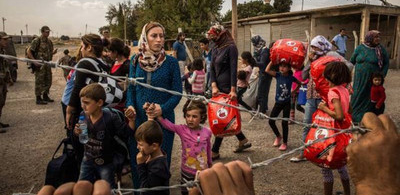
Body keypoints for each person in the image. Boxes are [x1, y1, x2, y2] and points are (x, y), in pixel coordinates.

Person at [39, 113, 400, 195]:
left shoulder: (208, 132)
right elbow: (170, 127)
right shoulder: (178, 133)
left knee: (202, 182)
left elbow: (213, 145)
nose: (193, 121)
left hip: (201, 168)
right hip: (186, 171)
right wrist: (154, 118)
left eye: (196, 117)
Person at [126, 22, 182, 188]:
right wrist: (130, 107)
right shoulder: (135, 61)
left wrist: (161, 109)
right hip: (139, 123)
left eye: (161, 36)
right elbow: (131, 89)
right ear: (145, 38)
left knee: (159, 165)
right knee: (139, 163)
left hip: (163, 123)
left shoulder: (171, 62)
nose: (159, 40)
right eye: (154, 36)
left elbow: (177, 92)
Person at [73, 84, 136, 188]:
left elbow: (127, 132)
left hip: (106, 162)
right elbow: (82, 139)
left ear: (100, 102)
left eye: (87, 103)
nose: (82, 106)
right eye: (81, 102)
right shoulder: (83, 115)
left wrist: (132, 120)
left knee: (107, 188)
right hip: (87, 159)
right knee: (81, 186)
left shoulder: (111, 118)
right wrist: (77, 132)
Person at [147, 100, 212, 195]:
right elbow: (168, 125)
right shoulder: (182, 129)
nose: (190, 119)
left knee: (202, 192)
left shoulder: (207, 132)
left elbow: (208, 149)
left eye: (194, 116)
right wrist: (158, 116)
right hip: (187, 172)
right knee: (185, 192)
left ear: (202, 117)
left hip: (203, 172)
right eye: (188, 116)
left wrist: (210, 164)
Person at [208, 24, 251, 159]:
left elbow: (234, 69)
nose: (212, 39)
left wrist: (233, 90)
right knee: (224, 116)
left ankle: (215, 150)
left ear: (221, 34)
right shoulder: (215, 48)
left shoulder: (231, 47)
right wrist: (213, 86)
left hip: (227, 88)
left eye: (214, 36)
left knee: (222, 117)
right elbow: (212, 69)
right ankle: (242, 139)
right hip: (217, 87)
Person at [66, 34, 110, 162]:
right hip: (98, 110)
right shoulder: (103, 63)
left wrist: (69, 110)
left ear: (89, 47)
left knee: (81, 142)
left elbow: (78, 88)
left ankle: (85, 170)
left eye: (82, 47)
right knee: (96, 144)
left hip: (84, 112)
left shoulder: (85, 63)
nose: (81, 50)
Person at [291, 35, 332, 162]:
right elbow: (303, 76)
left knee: (325, 127)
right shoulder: (312, 60)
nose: (313, 50)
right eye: (312, 47)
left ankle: (325, 152)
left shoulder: (330, 60)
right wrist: (308, 62)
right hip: (311, 97)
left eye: (316, 47)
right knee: (306, 125)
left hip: (324, 98)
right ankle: (303, 153)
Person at [316, 62, 352, 195]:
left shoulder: (333, 92)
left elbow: (339, 115)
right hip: (343, 133)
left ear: (331, 75)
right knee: (341, 165)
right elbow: (348, 111)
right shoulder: (345, 90)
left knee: (326, 166)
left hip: (333, 134)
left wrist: (324, 108)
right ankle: (347, 192)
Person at [350, 30, 389, 124]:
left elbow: (386, 63)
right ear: (369, 38)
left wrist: (381, 76)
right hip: (359, 80)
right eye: (375, 37)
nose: (378, 39)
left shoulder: (380, 49)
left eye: (378, 37)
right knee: (357, 96)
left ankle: (368, 119)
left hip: (373, 80)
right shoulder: (360, 48)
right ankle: (354, 118)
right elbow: (351, 61)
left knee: (371, 98)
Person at [265, 62, 301, 151]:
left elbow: (299, 83)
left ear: (289, 68)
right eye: (280, 66)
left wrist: (294, 91)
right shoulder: (278, 75)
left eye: (284, 66)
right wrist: (272, 61)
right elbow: (267, 70)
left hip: (287, 103)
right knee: (271, 121)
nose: (281, 68)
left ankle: (285, 143)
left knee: (284, 123)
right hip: (278, 103)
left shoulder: (291, 77)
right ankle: (278, 136)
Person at [135, 120, 170, 195]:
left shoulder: (158, 168)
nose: (137, 147)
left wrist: (140, 165)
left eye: (140, 144)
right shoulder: (151, 155)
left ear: (154, 146)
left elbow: (146, 191)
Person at [27, 26, 57, 105]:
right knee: (39, 81)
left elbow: (48, 53)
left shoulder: (49, 42)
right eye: (46, 32)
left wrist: (53, 53)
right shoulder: (37, 41)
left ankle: (45, 95)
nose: (48, 33)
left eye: (49, 32)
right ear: (42, 32)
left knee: (48, 80)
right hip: (39, 65)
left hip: (47, 64)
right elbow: (29, 51)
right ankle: (38, 98)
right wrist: (34, 61)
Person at [251, 36, 272, 114]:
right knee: (264, 91)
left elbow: (262, 64)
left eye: (254, 43)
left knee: (261, 92)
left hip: (265, 75)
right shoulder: (261, 50)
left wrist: (253, 62)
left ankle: (261, 110)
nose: (254, 45)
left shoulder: (264, 51)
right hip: (264, 74)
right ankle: (263, 108)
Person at [109, 38, 130, 113]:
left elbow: (129, 86)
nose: (108, 53)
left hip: (122, 103)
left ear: (115, 52)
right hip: (112, 101)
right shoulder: (113, 63)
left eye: (110, 51)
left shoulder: (127, 65)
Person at [0, 32, 12, 133]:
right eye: (4, 39)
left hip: (2, 81)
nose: (6, 41)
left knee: (1, 102)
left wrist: (9, 78)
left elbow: (5, 66)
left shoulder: (2, 51)